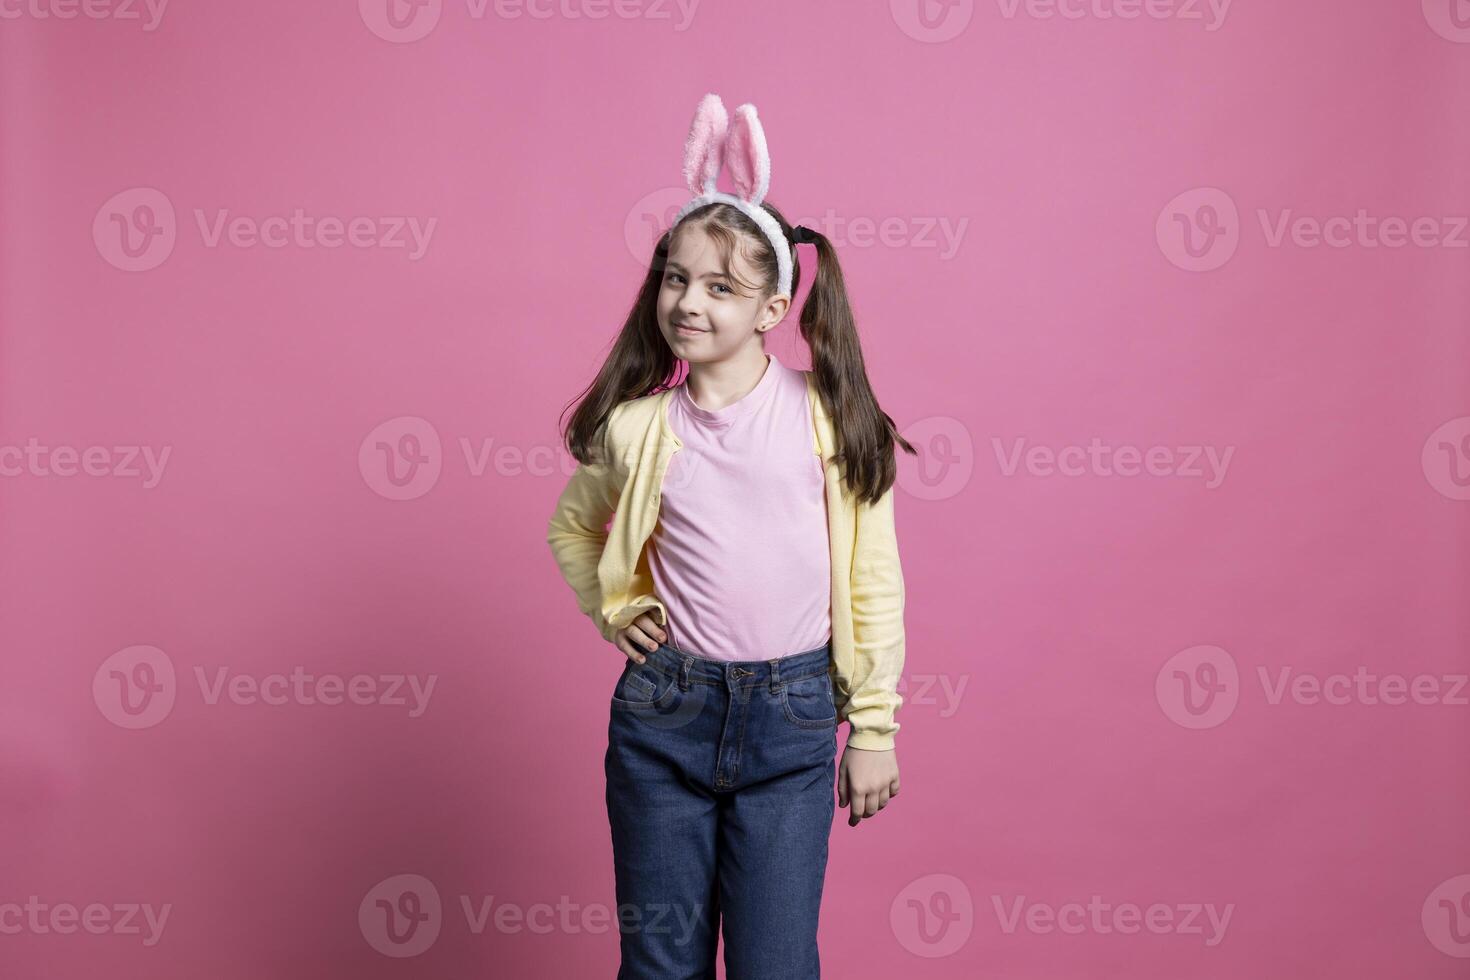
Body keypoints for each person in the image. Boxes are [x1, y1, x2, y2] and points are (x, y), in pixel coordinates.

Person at [545, 92, 913, 980]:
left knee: (775, 964)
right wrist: (612, 606)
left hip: (791, 721)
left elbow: (872, 578)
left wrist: (873, 727)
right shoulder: (640, 427)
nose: (689, 301)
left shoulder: (826, 418)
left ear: (773, 306)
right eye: (675, 277)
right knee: (660, 963)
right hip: (664, 716)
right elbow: (572, 528)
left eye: (721, 286)